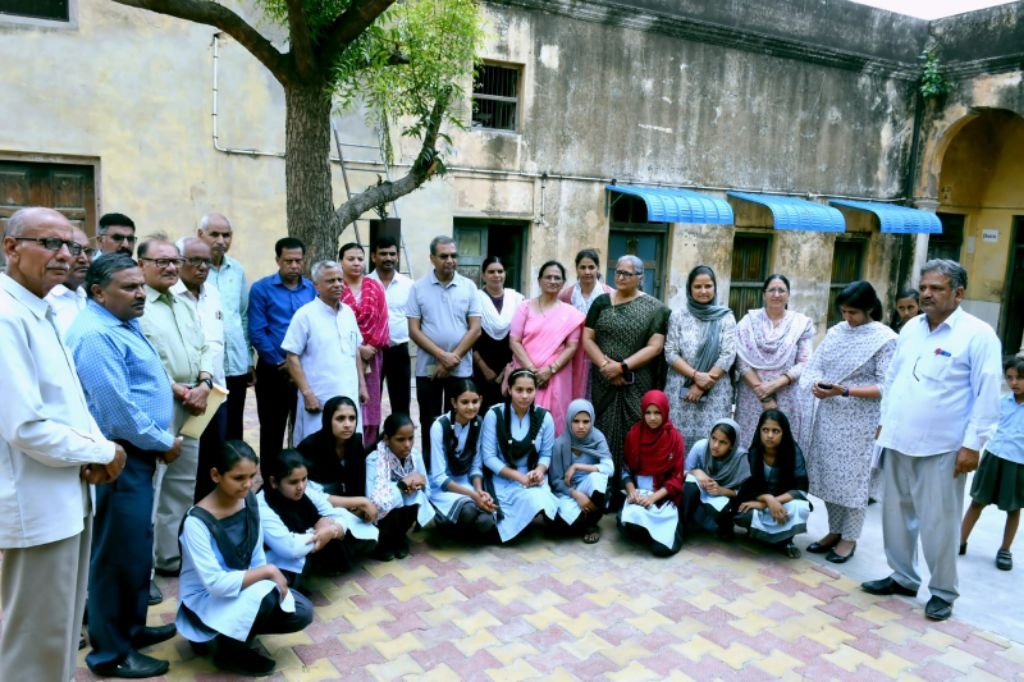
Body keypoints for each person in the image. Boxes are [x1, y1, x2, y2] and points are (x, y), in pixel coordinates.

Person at [0, 207, 125, 682]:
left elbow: (67, 404)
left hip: (66, 496)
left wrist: (96, 449)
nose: (65, 255)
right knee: (36, 644)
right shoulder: (7, 316)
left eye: (71, 246)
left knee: (59, 633)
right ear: (12, 247)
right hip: (37, 507)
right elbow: (26, 425)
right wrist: (103, 452)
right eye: (49, 243)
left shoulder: (41, 307)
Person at [863, 259, 1002, 621]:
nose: (926, 294)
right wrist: (884, 422)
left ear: (958, 293)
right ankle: (903, 577)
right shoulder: (911, 329)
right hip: (897, 438)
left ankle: (942, 590)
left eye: (936, 288)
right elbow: (893, 380)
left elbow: (988, 395)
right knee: (895, 516)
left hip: (943, 447)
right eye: (924, 287)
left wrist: (973, 445)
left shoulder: (978, 334)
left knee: (939, 523)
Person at [67, 253, 183, 678]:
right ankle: (110, 653)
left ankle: (131, 630)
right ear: (98, 292)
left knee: (135, 551)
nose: (141, 294)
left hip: (137, 454)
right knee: (117, 555)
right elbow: (118, 413)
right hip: (120, 459)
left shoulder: (120, 323)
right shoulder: (96, 335)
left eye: (141, 285)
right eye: (130, 287)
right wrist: (163, 441)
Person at [177, 440, 313, 677]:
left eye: (252, 476)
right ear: (215, 475)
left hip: (241, 587)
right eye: (239, 478)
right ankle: (229, 653)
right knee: (267, 596)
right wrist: (267, 573)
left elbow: (257, 557)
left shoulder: (250, 501)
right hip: (206, 599)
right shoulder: (196, 522)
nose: (248, 484)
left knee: (301, 611)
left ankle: (231, 632)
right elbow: (216, 585)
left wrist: (266, 576)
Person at [799, 281, 896, 563]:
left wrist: (846, 391)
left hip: (861, 421)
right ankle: (834, 531)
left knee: (853, 482)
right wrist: (816, 383)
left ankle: (849, 538)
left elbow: (886, 385)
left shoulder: (885, 338)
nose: (847, 318)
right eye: (843, 311)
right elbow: (816, 364)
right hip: (829, 414)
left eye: (853, 312)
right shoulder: (836, 332)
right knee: (830, 476)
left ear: (869, 309)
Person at [137, 236, 215, 578]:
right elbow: (144, 357)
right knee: (155, 483)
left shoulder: (183, 303)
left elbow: (204, 346)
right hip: (161, 402)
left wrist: (204, 383)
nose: (171, 267)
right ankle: (146, 566)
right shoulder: (136, 303)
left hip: (195, 402)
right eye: (161, 262)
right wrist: (178, 389)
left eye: (174, 261)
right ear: (141, 265)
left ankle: (170, 556)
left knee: (183, 483)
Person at [582, 255, 670, 492]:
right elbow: (587, 338)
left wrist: (622, 367)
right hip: (604, 380)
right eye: (617, 272)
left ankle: (633, 487)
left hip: (636, 380)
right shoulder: (601, 302)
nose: (620, 277)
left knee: (636, 429)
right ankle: (604, 488)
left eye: (627, 274)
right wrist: (605, 366)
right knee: (604, 429)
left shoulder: (656, 309)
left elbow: (655, 346)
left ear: (641, 277)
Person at [407, 235, 482, 462]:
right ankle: (431, 466)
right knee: (430, 419)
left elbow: (475, 329)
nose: (449, 260)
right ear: (432, 258)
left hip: (460, 368)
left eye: (453, 255)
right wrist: (442, 357)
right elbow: (414, 330)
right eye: (443, 256)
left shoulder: (469, 287)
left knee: (458, 418)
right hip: (428, 368)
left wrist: (454, 358)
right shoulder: (418, 288)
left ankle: (456, 464)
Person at [258, 449, 378, 586]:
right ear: (274, 482)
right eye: (293, 482)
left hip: (308, 544)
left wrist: (330, 529)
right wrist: (325, 532)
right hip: (280, 561)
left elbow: (334, 512)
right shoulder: (262, 507)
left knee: (359, 533)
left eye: (304, 479)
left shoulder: (304, 492)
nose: (301, 487)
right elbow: (289, 547)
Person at [282, 260, 368, 447]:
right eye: (330, 281)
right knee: (316, 448)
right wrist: (307, 393)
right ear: (316, 285)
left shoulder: (348, 313)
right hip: (319, 398)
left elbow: (355, 350)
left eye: (339, 279)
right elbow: (292, 356)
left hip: (348, 395)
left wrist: (362, 385)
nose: (337, 284)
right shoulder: (305, 315)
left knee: (350, 447)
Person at [249, 237, 316, 462]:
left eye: (298, 261)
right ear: (278, 260)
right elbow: (257, 331)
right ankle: (270, 484)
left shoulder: (311, 289)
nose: (294, 266)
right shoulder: (261, 289)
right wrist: (282, 362)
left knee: (305, 428)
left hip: (306, 371)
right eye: (288, 261)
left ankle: (300, 479)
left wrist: (297, 364)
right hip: (273, 371)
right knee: (271, 430)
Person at [174, 237, 228, 502]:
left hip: (216, 390)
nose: (202, 267)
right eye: (194, 260)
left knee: (213, 456)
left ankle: (210, 510)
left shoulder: (214, 293)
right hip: (185, 394)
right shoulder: (169, 297)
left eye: (206, 261)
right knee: (185, 463)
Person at [960, 355, 1024, 571]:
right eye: (1010, 377)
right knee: (978, 501)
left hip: (1019, 464)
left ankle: (1005, 549)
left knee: (1014, 508)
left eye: (1020, 378)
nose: (1014, 382)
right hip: (993, 457)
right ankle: (960, 540)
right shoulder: (1001, 401)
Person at [480, 368, 560, 543]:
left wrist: (539, 471)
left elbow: (546, 455)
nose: (525, 396)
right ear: (509, 390)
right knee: (500, 513)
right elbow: (488, 457)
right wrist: (518, 476)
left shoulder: (544, 417)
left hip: (531, 478)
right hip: (502, 477)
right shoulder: (494, 414)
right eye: (519, 390)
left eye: (530, 390)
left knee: (538, 499)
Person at [734, 273, 814, 445]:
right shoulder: (748, 322)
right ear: (764, 294)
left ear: (788, 295)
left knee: (782, 444)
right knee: (750, 442)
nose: (776, 295)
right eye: (772, 290)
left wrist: (775, 384)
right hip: (753, 395)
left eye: (781, 290)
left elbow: (805, 362)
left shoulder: (800, 324)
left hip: (786, 394)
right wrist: (764, 395)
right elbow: (740, 360)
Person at [509, 260, 585, 436]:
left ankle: (551, 462)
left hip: (557, 375)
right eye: (548, 277)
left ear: (563, 282)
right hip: (525, 374)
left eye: (557, 278)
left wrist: (550, 370)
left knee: (555, 420)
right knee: (523, 418)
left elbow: (572, 346)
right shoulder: (525, 307)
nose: (552, 281)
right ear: (539, 281)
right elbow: (514, 340)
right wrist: (531, 371)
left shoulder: (571, 313)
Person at [665, 265, 737, 447]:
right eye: (697, 287)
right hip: (681, 391)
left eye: (708, 286)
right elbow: (670, 352)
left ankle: (708, 476)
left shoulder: (725, 317)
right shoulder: (678, 316)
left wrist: (702, 385)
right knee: (678, 442)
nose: (703, 291)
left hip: (715, 392)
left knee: (713, 441)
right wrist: (696, 377)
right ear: (690, 289)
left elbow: (728, 354)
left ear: (714, 287)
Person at [199, 212, 253, 441]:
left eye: (227, 235)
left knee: (234, 425)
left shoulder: (237, 270)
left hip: (236, 363)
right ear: (200, 235)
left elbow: (242, 315)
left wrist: (249, 359)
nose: (221, 241)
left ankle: (235, 475)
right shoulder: (194, 271)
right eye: (215, 234)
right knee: (207, 427)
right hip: (208, 367)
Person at [427, 379, 499, 541]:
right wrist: (474, 496)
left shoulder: (478, 423)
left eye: (475, 401)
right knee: (468, 510)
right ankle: (444, 523)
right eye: (465, 402)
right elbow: (439, 477)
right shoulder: (439, 426)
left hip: (467, 483)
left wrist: (479, 491)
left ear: (480, 400)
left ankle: (461, 531)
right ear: (454, 402)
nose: (471, 407)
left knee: (486, 520)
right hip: (443, 486)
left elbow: (475, 466)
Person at [734, 409, 810, 559]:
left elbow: (801, 488)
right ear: (759, 431)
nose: (769, 435)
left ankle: (787, 541)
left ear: (784, 432)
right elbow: (747, 487)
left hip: (783, 502)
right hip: (760, 500)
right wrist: (768, 500)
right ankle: (762, 535)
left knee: (800, 508)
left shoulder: (792, 451)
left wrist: (775, 501)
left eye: (776, 431)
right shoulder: (755, 452)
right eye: (765, 430)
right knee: (744, 514)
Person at [618, 390, 685, 556]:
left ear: (665, 412)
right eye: (648, 412)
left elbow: (677, 477)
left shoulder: (674, 438)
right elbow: (625, 468)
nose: (652, 418)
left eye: (657, 412)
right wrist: (632, 492)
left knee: (663, 549)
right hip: (638, 495)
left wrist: (653, 498)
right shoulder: (634, 435)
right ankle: (646, 530)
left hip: (663, 498)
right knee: (625, 522)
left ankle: (657, 532)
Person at [339, 242, 390, 443]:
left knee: (370, 403)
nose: (356, 263)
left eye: (360, 259)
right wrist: (358, 348)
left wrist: (371, 347)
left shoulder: (374, 286)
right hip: (345, 354)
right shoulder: (336, 286)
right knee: (348, 401)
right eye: (350, 259)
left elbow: (383, 319)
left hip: (373, 356)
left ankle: (367, 449)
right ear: (341, 262)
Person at [366, 413, 434, 561]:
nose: (407, 444)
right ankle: (383, 542)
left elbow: (426, 488)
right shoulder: (375, 459)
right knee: (390, 500)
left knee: (416, 496)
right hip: (381, 516)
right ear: (386, 439)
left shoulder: (415, 455)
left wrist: (418, 485)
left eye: (411, 438)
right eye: (400, 440)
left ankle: (400, 538)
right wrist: (402, 485)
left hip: (403, 512)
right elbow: (372, 499)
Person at [549, 399, 613, 544]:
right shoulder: (560, 443)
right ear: (569, 420)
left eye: (586, 421)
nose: (581, 426)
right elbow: (556, 481)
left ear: (592, 421)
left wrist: (578, 467)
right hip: (568, 491)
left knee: (598, 479)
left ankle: (590, 524)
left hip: (590, 489)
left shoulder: (597, 437)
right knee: (557, 525)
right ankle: (583, 522)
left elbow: (610, 468)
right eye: (576, 421)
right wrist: (577, 495)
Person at [680, 418, 750, 540]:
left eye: (723, 442)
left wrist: (721, 490)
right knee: (689, 486)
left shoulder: (740, 458)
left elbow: (744, 493)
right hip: (702, 492)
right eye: (713, 438)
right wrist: (697, 472)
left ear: (732, 445)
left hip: (724, 497)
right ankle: (682, 526)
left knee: (722, 509)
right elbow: (682, 472)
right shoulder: (701, 447)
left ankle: (725, 526)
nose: (715, 445)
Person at [367, 236, 413, 418]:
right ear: (373, 257)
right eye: (383, 254)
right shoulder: (365, 284)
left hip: (398, 351)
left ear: (398, 257)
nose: (388, 258)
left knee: (401, 403)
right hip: (371, 353)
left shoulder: (409, 285)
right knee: (369, 404)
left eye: (392, 254)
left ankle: (401, 444)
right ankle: (369, 445)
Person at [560, 248, 614, 399]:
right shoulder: (567, 295)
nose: (587, 271)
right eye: (582, 267)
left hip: (601, 350)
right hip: (574, 352)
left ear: (598, 269)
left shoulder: (609, 294)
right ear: (576, 269)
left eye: (591, 267)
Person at [473, 255, 524, 412]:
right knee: (481, 409)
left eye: (500, 271)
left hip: (510, 365)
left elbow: (522, 336)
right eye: (491, 271)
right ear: (483, 275)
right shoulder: (475, 299)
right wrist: (484, 367)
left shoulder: (517, 299)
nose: (496, 275)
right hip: (480, 366)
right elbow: (470, 335)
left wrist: (508, 367)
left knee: (507, 410)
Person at [44, 225, 93, 337]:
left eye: (88, 251)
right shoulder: (43, 300)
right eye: (74, 249)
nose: (84, 259)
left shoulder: (87, 295)